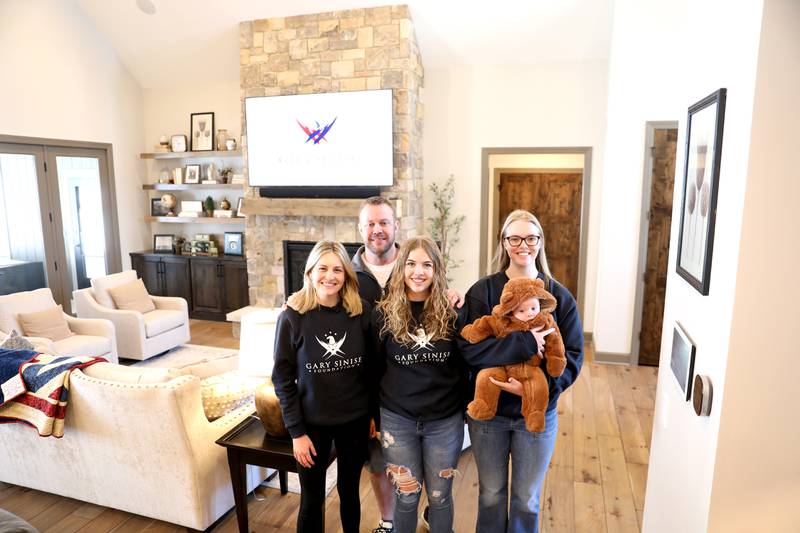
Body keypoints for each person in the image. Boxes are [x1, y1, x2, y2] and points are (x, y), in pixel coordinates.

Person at [460, 209, 584, 533]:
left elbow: (572, 358)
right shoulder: (483, 293)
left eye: (530, 237)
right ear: (504, 242)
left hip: (537, 414)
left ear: (540, 242)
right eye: (514, 238)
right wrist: (526, 344)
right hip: (490, 416)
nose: (523, 245)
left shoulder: (559, 297)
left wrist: (536, 389)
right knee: (490, 494)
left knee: (526, 499)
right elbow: (470, 350)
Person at [352, 196, 464, 532]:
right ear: (403, 268)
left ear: (437, 270)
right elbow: (373, 369)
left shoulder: (454, 311)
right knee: (406, 497)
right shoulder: (383, 315)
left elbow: (465, 366)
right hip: (397, 421)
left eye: (427, 265)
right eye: (411, 264)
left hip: (444, 422)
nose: (418, 272)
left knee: (441, 497)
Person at [272, 241, 373, 533]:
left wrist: (370, 415)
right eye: (323, 268)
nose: (330, 276)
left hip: (354, 421)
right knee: (312, 499)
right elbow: (282, 378)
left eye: (338, 269)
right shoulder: (292, 317)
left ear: (347, 275)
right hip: (311, 426)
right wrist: (297, 432)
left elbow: (371, 370)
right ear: (310, 272)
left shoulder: (360, 312)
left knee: (350, 493)